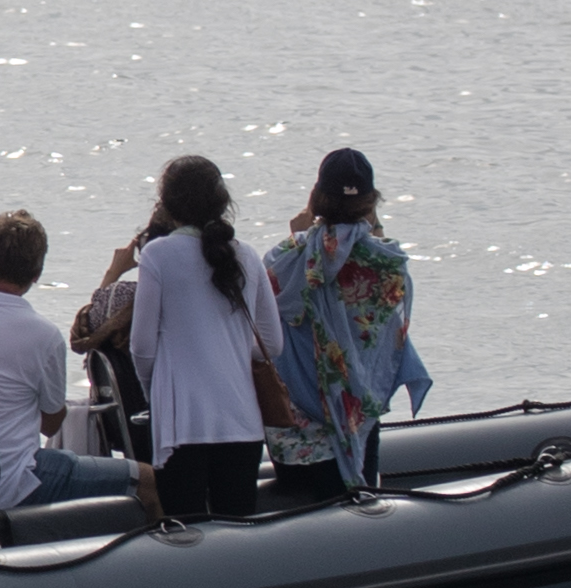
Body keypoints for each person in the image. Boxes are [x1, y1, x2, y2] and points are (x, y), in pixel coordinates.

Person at [0, 209, 140, 522]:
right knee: (147, 481)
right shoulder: (43, 335)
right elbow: (51, 424)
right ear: (36, 275)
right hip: (12, 489)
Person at [118, 153, 282, 524]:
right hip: (242, 422)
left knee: (186, 535)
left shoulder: (158, 255)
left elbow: (141, 347)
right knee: (239, 533)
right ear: (222, 203)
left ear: (167, 205)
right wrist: (234, 349)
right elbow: (273, 344)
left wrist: (154, 391)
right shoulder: (248, 255)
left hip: (183, 424)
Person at [263, 146, 430, 505]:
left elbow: (269, 310)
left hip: (299, 430)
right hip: (358, 414)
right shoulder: (388, 263)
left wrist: (298, 235)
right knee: (363, 512)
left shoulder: (287, 258)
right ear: (370, 204)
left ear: (316, 199)